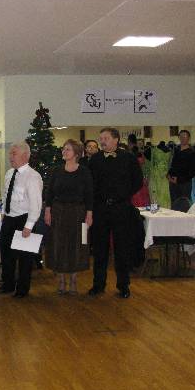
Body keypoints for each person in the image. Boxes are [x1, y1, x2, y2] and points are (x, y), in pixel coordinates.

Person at [88, 127, 143, 299]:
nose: (102, 141)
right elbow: (90, 184)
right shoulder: (95, 159)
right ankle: (98, 284)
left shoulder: (128, 158)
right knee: (100, 248)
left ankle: (123, 285)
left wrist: (123, 196)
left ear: (116, 139)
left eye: (105, 138)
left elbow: (138, 181)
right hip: (100, 209)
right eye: (101, 138)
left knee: (122, 248)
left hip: (121, 208)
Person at [44, 139, 93, 294]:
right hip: (59, 212)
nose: (64, 152)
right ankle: (61, 280)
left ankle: (73, 280)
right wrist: (47, 211)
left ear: (76, 153)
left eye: (68, 149)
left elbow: (89, 194)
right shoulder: (56, 171)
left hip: (79, 213)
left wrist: (89, 214)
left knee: (78, 245)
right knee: (58, 244)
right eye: (63, 149)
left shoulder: (84, 172)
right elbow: (49, 193)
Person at [0, 142, 43, 298]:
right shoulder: (9, 173)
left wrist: (29, 226)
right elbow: (5, 194)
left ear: (25, 155)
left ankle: (22, 289)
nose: (10, 156)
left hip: (24, 219)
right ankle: (8, 284)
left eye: (14, 153)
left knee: (25, 258)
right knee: (6, 255)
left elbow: (36, 204)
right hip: (9, 219)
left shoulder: (33, 176)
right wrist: (3, 212)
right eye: (10, 153)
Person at [167, 129, 195, 203]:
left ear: (189, 138)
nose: (182, 138)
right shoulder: (176, 150)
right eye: (181, 136)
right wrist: (168, 174)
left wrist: (179, 180)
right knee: (174, 204)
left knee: (184, 204)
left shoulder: (193, 152)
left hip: (184, 184)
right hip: (172, 182)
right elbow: (173, 165)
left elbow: (194, 172)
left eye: (184, 136)